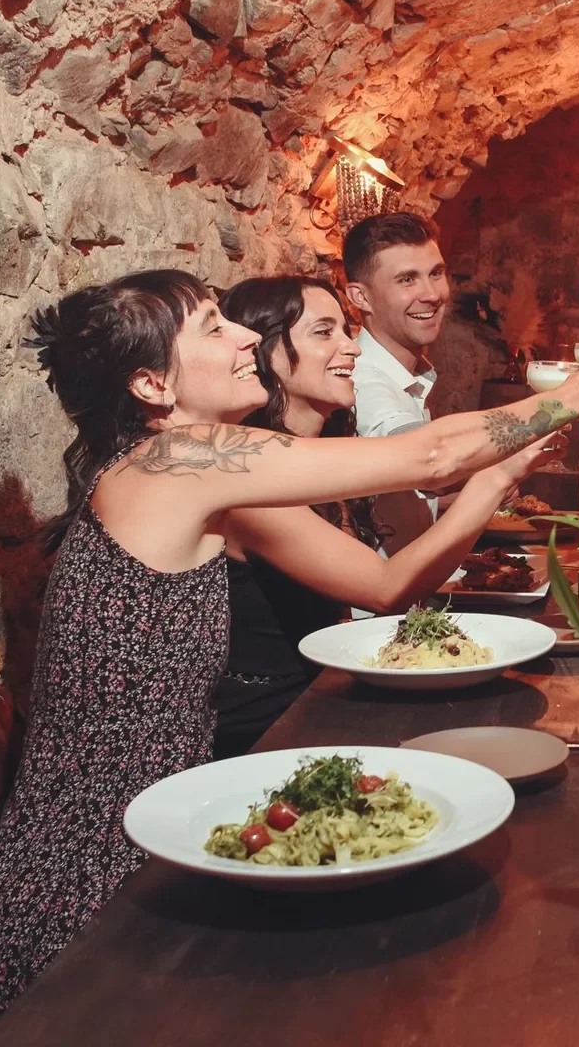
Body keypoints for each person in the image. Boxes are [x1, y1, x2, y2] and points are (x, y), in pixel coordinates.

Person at [0, 270, 579, 1043]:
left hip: (145, 860)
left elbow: (393, 559)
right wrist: (573, 395)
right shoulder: (178, 460)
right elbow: (429, 456)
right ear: (152, 384)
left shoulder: (168, 471)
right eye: (213, 327)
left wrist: (503, 467)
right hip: (78, 910)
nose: (246, 336)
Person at [209, 276, 558, 758]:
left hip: (332, 700)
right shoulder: (248, 481)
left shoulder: (324, 455)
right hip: (273, 734)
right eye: (323, 332)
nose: (351, 348)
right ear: (266, 352)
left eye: (345, 331)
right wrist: (495, 478)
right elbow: (387, 587)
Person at [343, 212, 452, 553]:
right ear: (360, 298)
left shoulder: (408, 374)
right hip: (378, 606)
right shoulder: (360, 380)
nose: (432, 294)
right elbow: (427, 459)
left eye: (436, 273)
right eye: (407, 280)